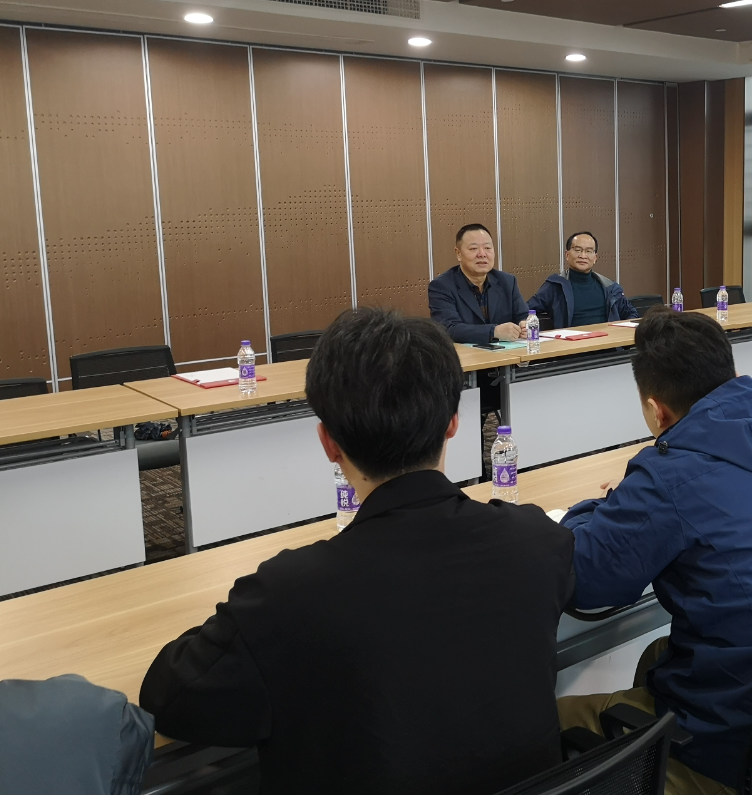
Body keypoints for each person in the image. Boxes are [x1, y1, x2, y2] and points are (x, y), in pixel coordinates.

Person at [140, 309, 574, 795]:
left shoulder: (288, 594)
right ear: (453, 423)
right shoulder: (538, 540)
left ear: (328, 443)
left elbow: (168, 697)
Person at [556, 308, 752, 794]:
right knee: (658, 655)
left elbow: (588, 580)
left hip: (743, 748)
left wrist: (599, 506)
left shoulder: (670, 474)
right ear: (731, 374)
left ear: (657, 411)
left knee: (551, 718)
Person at [428, 223, 529, 344]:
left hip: (507, 354)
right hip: (465, 355)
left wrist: (525, 325)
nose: (482, 254)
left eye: (487, 248)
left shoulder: (507, 281)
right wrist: (493, 332)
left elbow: (523, 315)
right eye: (473, 249)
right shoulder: (442, 286)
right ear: (458, 254)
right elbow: (448, 328)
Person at [526, 231, 640, 328]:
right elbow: (526, 311)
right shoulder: (555, 286)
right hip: (572, 345)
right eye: (577, 250)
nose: (583, 256)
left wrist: (620, 333)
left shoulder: (610, 287)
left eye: (589, 251)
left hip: (609, 345)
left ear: (595, 258)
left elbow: (632, 314)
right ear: (567, 255)